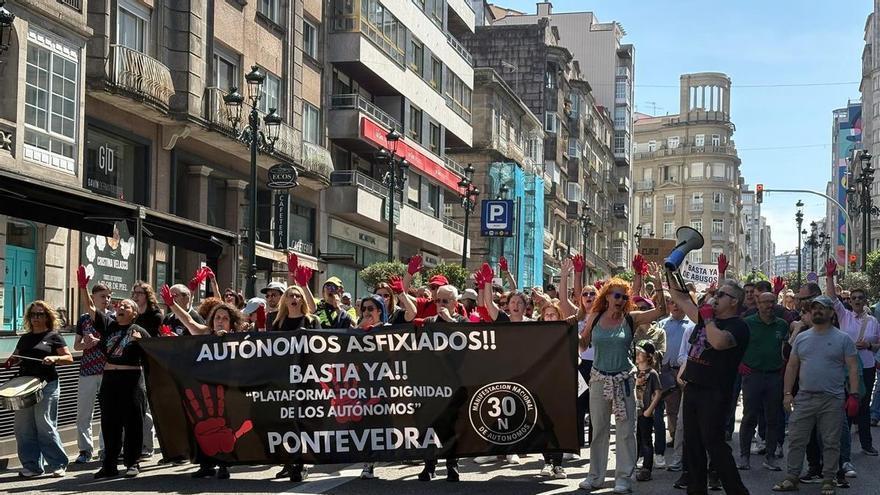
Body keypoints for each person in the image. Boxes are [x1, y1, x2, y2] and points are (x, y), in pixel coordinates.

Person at [577, 268, 668, 495]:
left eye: (624, 297)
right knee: (599, 430)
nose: (620, 300)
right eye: (616, 295)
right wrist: (569, 335)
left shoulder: (631, 318)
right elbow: (583, 344)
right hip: (598, 379)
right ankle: (595, 476)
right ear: (607, 296)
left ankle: (623, 478)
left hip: (624, 380)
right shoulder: (595, 317)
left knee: (626, 431)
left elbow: (661, 311)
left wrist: (657, 283)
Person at [669, 277, 751, 495]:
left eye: (721, 295)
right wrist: (670, 270)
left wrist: (707, 320)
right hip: (694, 387)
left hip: (714, 392)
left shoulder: (738, 326)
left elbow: (718, 342)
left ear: (734, 302)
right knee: (692, 444)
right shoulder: (706, 317)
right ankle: (696, 490)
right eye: (716, 293)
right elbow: (679, 297)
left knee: (714, 445)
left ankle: (737, 491)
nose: (715, 297)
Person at [771, 295, 860, 495]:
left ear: (831, 313)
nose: (817, 311)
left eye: (822, 308)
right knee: (796, 439)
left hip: (833, 399)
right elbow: (792, 367)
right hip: (804, 398)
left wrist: (854, 395)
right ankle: (792, 477)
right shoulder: (802, 337)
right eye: (814, 308)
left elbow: (853, 368)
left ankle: (828, 479)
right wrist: (787, 394)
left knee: (830, 441)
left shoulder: (843, 338)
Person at [3, 301, 73, 478]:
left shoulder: (53, 336)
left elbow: (69, 358)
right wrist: (12, 361)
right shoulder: (25, 338)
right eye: (33, 314)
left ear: (47, 316)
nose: (36, 318)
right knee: (22, 427)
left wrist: (54, 358)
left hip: (46, 384)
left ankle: (58, 464)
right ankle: (32, 466)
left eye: (40, 314)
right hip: (25, 386)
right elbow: (17, 356)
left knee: (44, 424)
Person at [86, 296, 150, 479]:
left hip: (131, 380)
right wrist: (83, 287)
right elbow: (91, 308)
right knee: (109, 423)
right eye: (119, 305)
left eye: (126, 306)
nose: (120, 307)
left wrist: (141, 343)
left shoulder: (139, 332)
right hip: (110, 379)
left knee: (133, 423)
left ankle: (132, 462)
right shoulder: (109, 326)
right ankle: (109, 464)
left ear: (134, 313)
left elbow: (153, 355)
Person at [825, 260, 880, 456]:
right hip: (847, 368)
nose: (856, 300)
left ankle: (866, 444)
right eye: (854, 297)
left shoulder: (873, 321)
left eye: (860, 297)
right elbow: (832, 299)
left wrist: (870, 345)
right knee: (847, 404)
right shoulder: (844, 316)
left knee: (863, 406)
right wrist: (830, 277)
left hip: (866, 366)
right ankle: (843, 446)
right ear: (851, 300)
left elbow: (879, 343)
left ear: (865, 300)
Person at [738, 292, 788, 471]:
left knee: (772, 418)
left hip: (774, 376)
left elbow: (787, 348)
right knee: (749, 416)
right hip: (753, 375)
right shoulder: (748, 323)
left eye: (772, 302)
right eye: (765, 302)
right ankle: (744, 456)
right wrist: (740, 363)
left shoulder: (781, 325)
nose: (769, 305)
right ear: (757, 303)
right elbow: (736, 345)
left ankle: (770, 456)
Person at [418, 285, 464, 482]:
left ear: (455, 304)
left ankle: (452, 465)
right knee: (429, 426)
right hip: (431, 384)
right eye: (437, 301)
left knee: (450, 426)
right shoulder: (429, 322)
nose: (440, 305)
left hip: (454, 384)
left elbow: (468, 344)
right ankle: (429, 466)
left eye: (445, 301)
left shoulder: (462, 322)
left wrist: (450, 322)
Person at [73, 282, 111, 465]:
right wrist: (86, 344)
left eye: (108, 296)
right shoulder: (83, 319)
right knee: (84, 413)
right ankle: (85, 450)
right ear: (93, 298)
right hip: (87, 370)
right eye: (103, 296)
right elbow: (76, 345)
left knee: (107, 412)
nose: (107, 300)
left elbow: (115, 343)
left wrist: (99, 341)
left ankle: (105, 448)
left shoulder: (113, 318)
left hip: (107, 370)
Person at [657, 292, 694, 472]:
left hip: (687, 375)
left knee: (685, 413)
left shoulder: (692, 326)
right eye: (671, 302)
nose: (675, 306)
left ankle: (686, 446)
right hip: (667, 371)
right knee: (671, 410)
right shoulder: (662, 325)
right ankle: (674, 437)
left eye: (678, 303)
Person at [131, 280, 162, 459]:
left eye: (139, 293)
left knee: (145, 406)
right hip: (131, 362)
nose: (136, 296)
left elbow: (151, 338)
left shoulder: (154, 314)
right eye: (134, 293)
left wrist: (139, 335)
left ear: (147, 295)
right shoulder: (131, 313)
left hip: (148, 361)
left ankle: (146, 445)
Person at [635, 340, 662, 482]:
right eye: (637, 353)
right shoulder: (634, 372)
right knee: (636, 440)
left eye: (641, 353)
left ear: (649, 356)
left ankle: (647, 468)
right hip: (635, 412)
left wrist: (649, 410)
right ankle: (633, 466)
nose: (637, 356)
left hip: (645, 412)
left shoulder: (652, 374)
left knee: (646, 440)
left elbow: (658, 393)